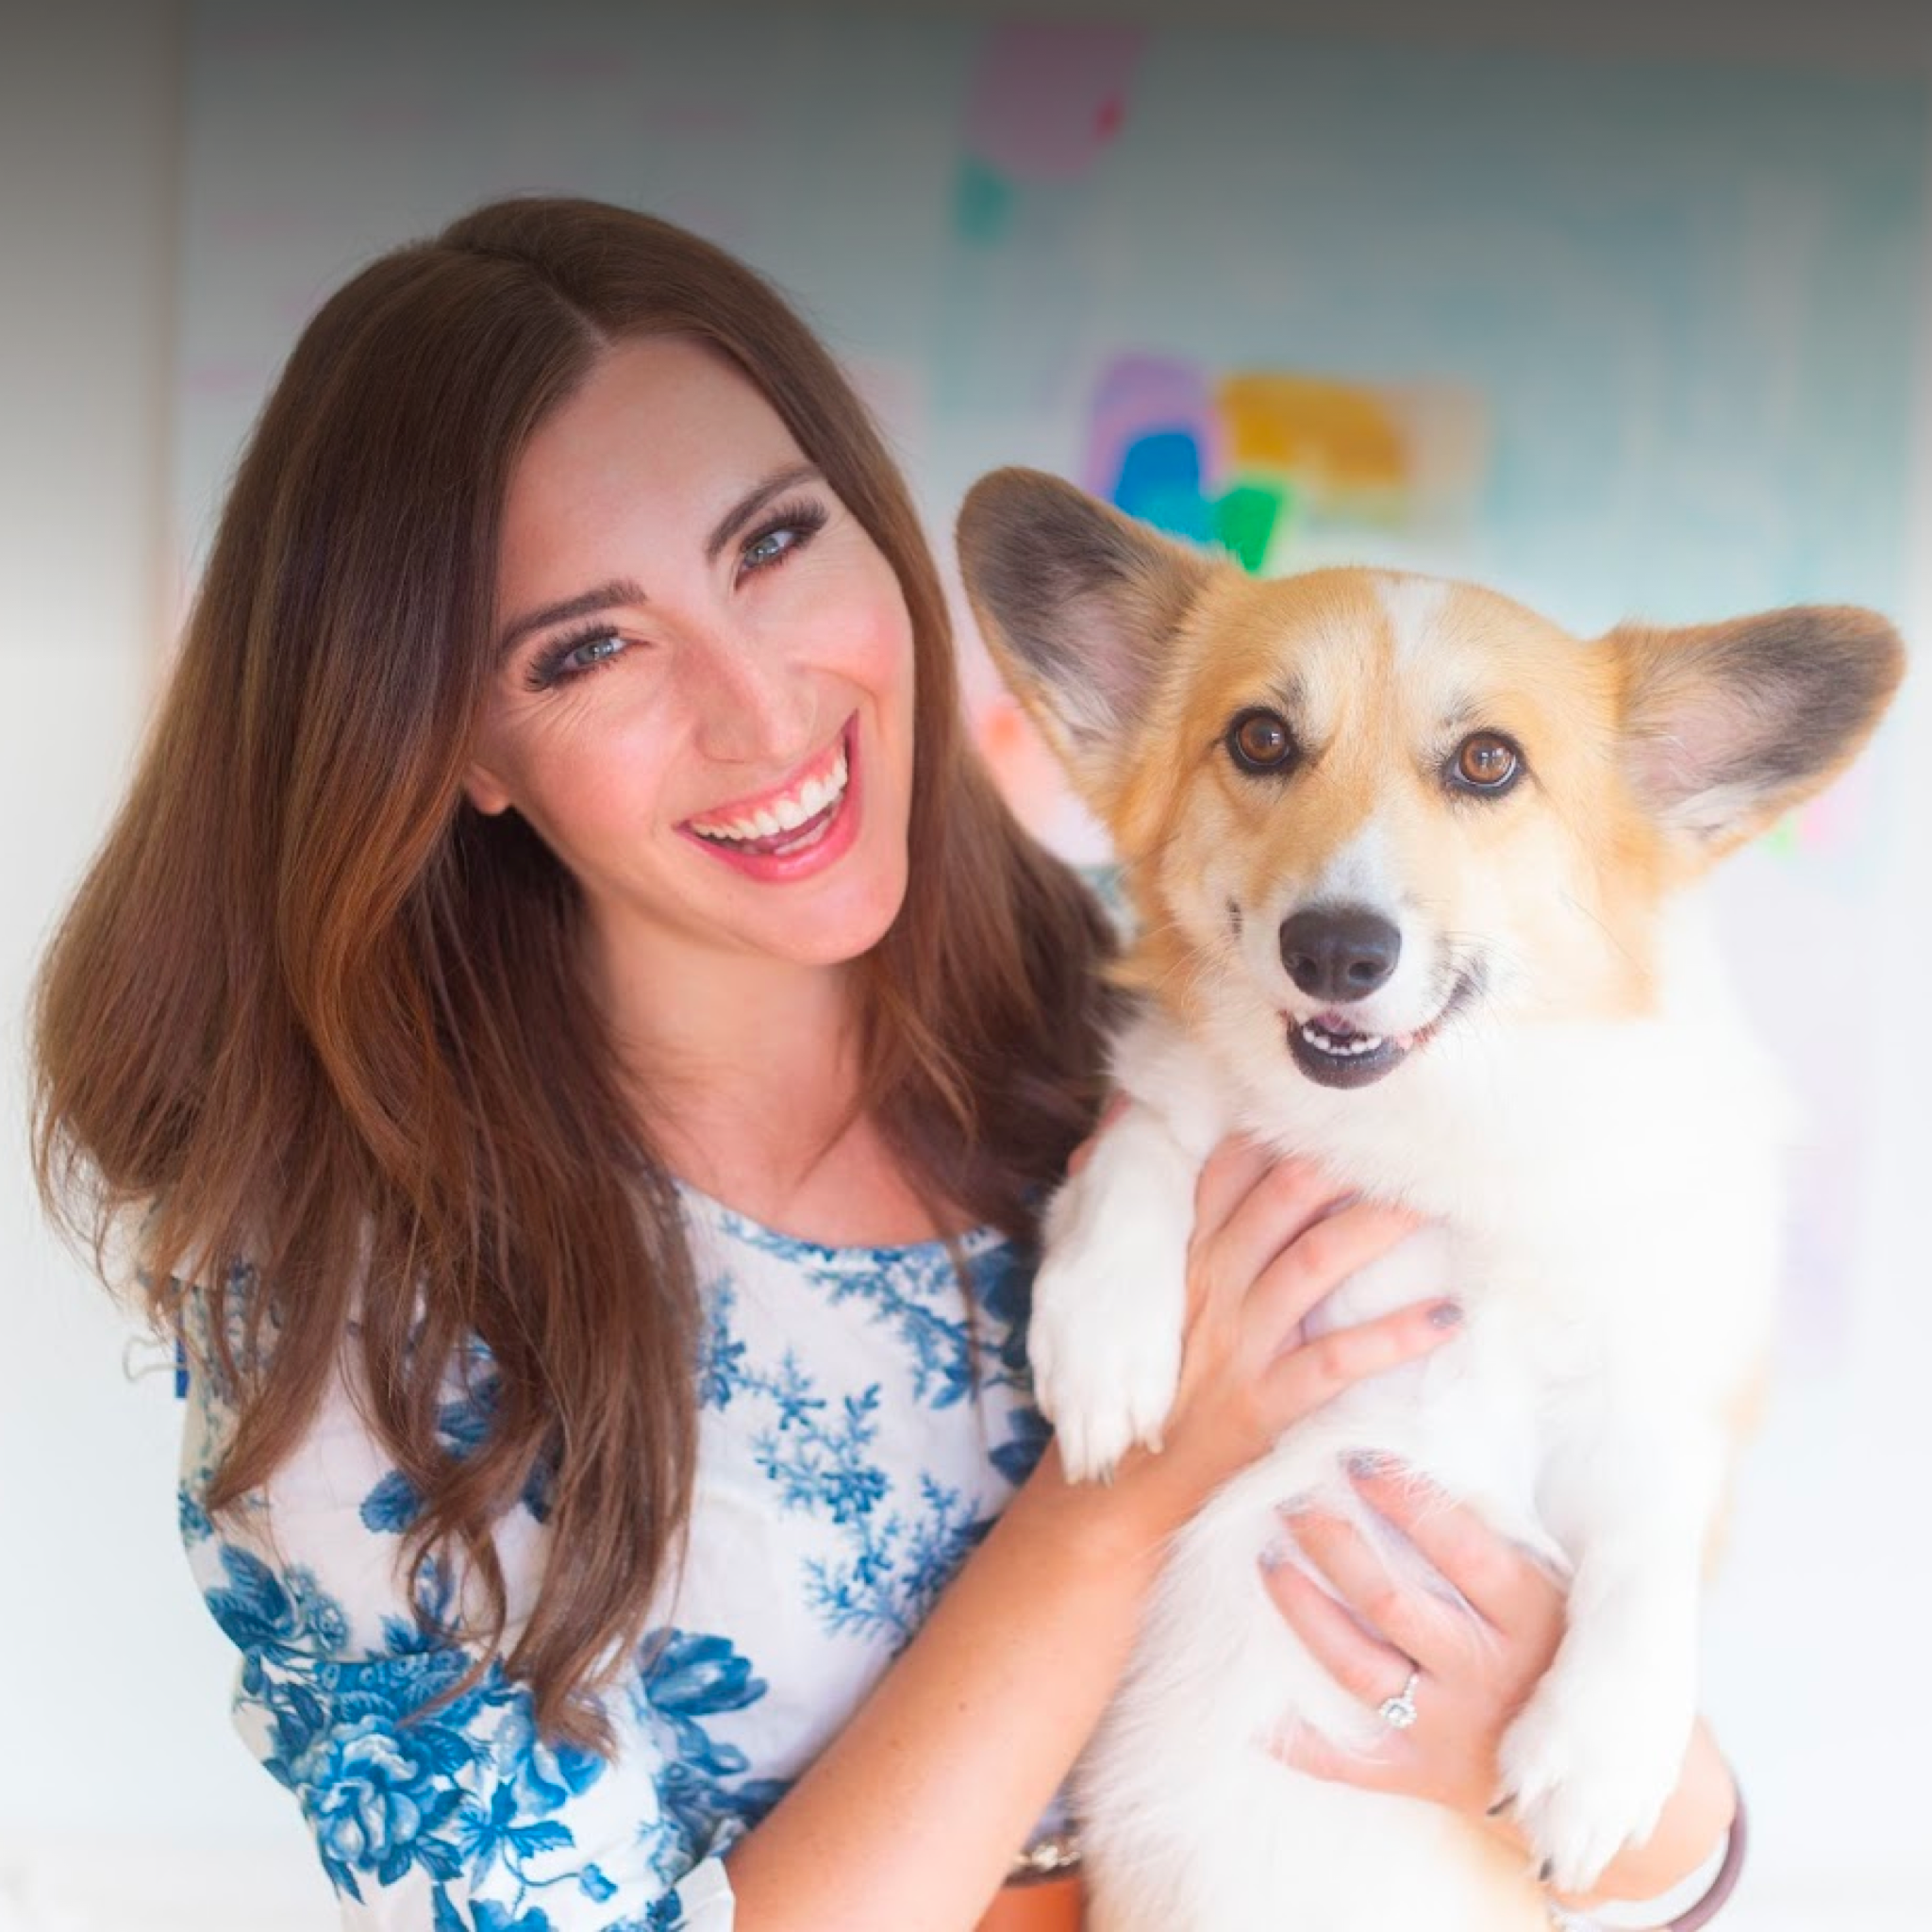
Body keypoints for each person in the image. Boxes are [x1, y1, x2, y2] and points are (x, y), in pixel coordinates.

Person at [30, 196, 1738, 1931]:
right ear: (449, 736)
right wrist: (1117, 1503)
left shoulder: (1187, 1010)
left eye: (773, 545)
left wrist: (1633, 1787)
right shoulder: (356, 1318)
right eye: (591, 646)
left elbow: (1637, 1809)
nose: (761, 711)